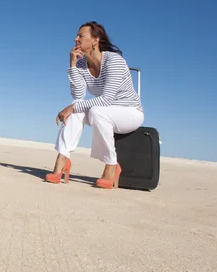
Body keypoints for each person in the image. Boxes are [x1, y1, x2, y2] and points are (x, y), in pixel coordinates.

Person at [45, 21, 144, 189]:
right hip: (104, 113)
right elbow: (77, 96)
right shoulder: (83, 64)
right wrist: (73, 66)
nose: (75, 38)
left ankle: (111, 165)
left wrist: (74, 107)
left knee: (95, 110)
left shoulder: (114, 61)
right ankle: (62, 160)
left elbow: (106, 99)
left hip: (130, 113)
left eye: (81, 36)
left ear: (95, 40)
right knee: (76, 108)